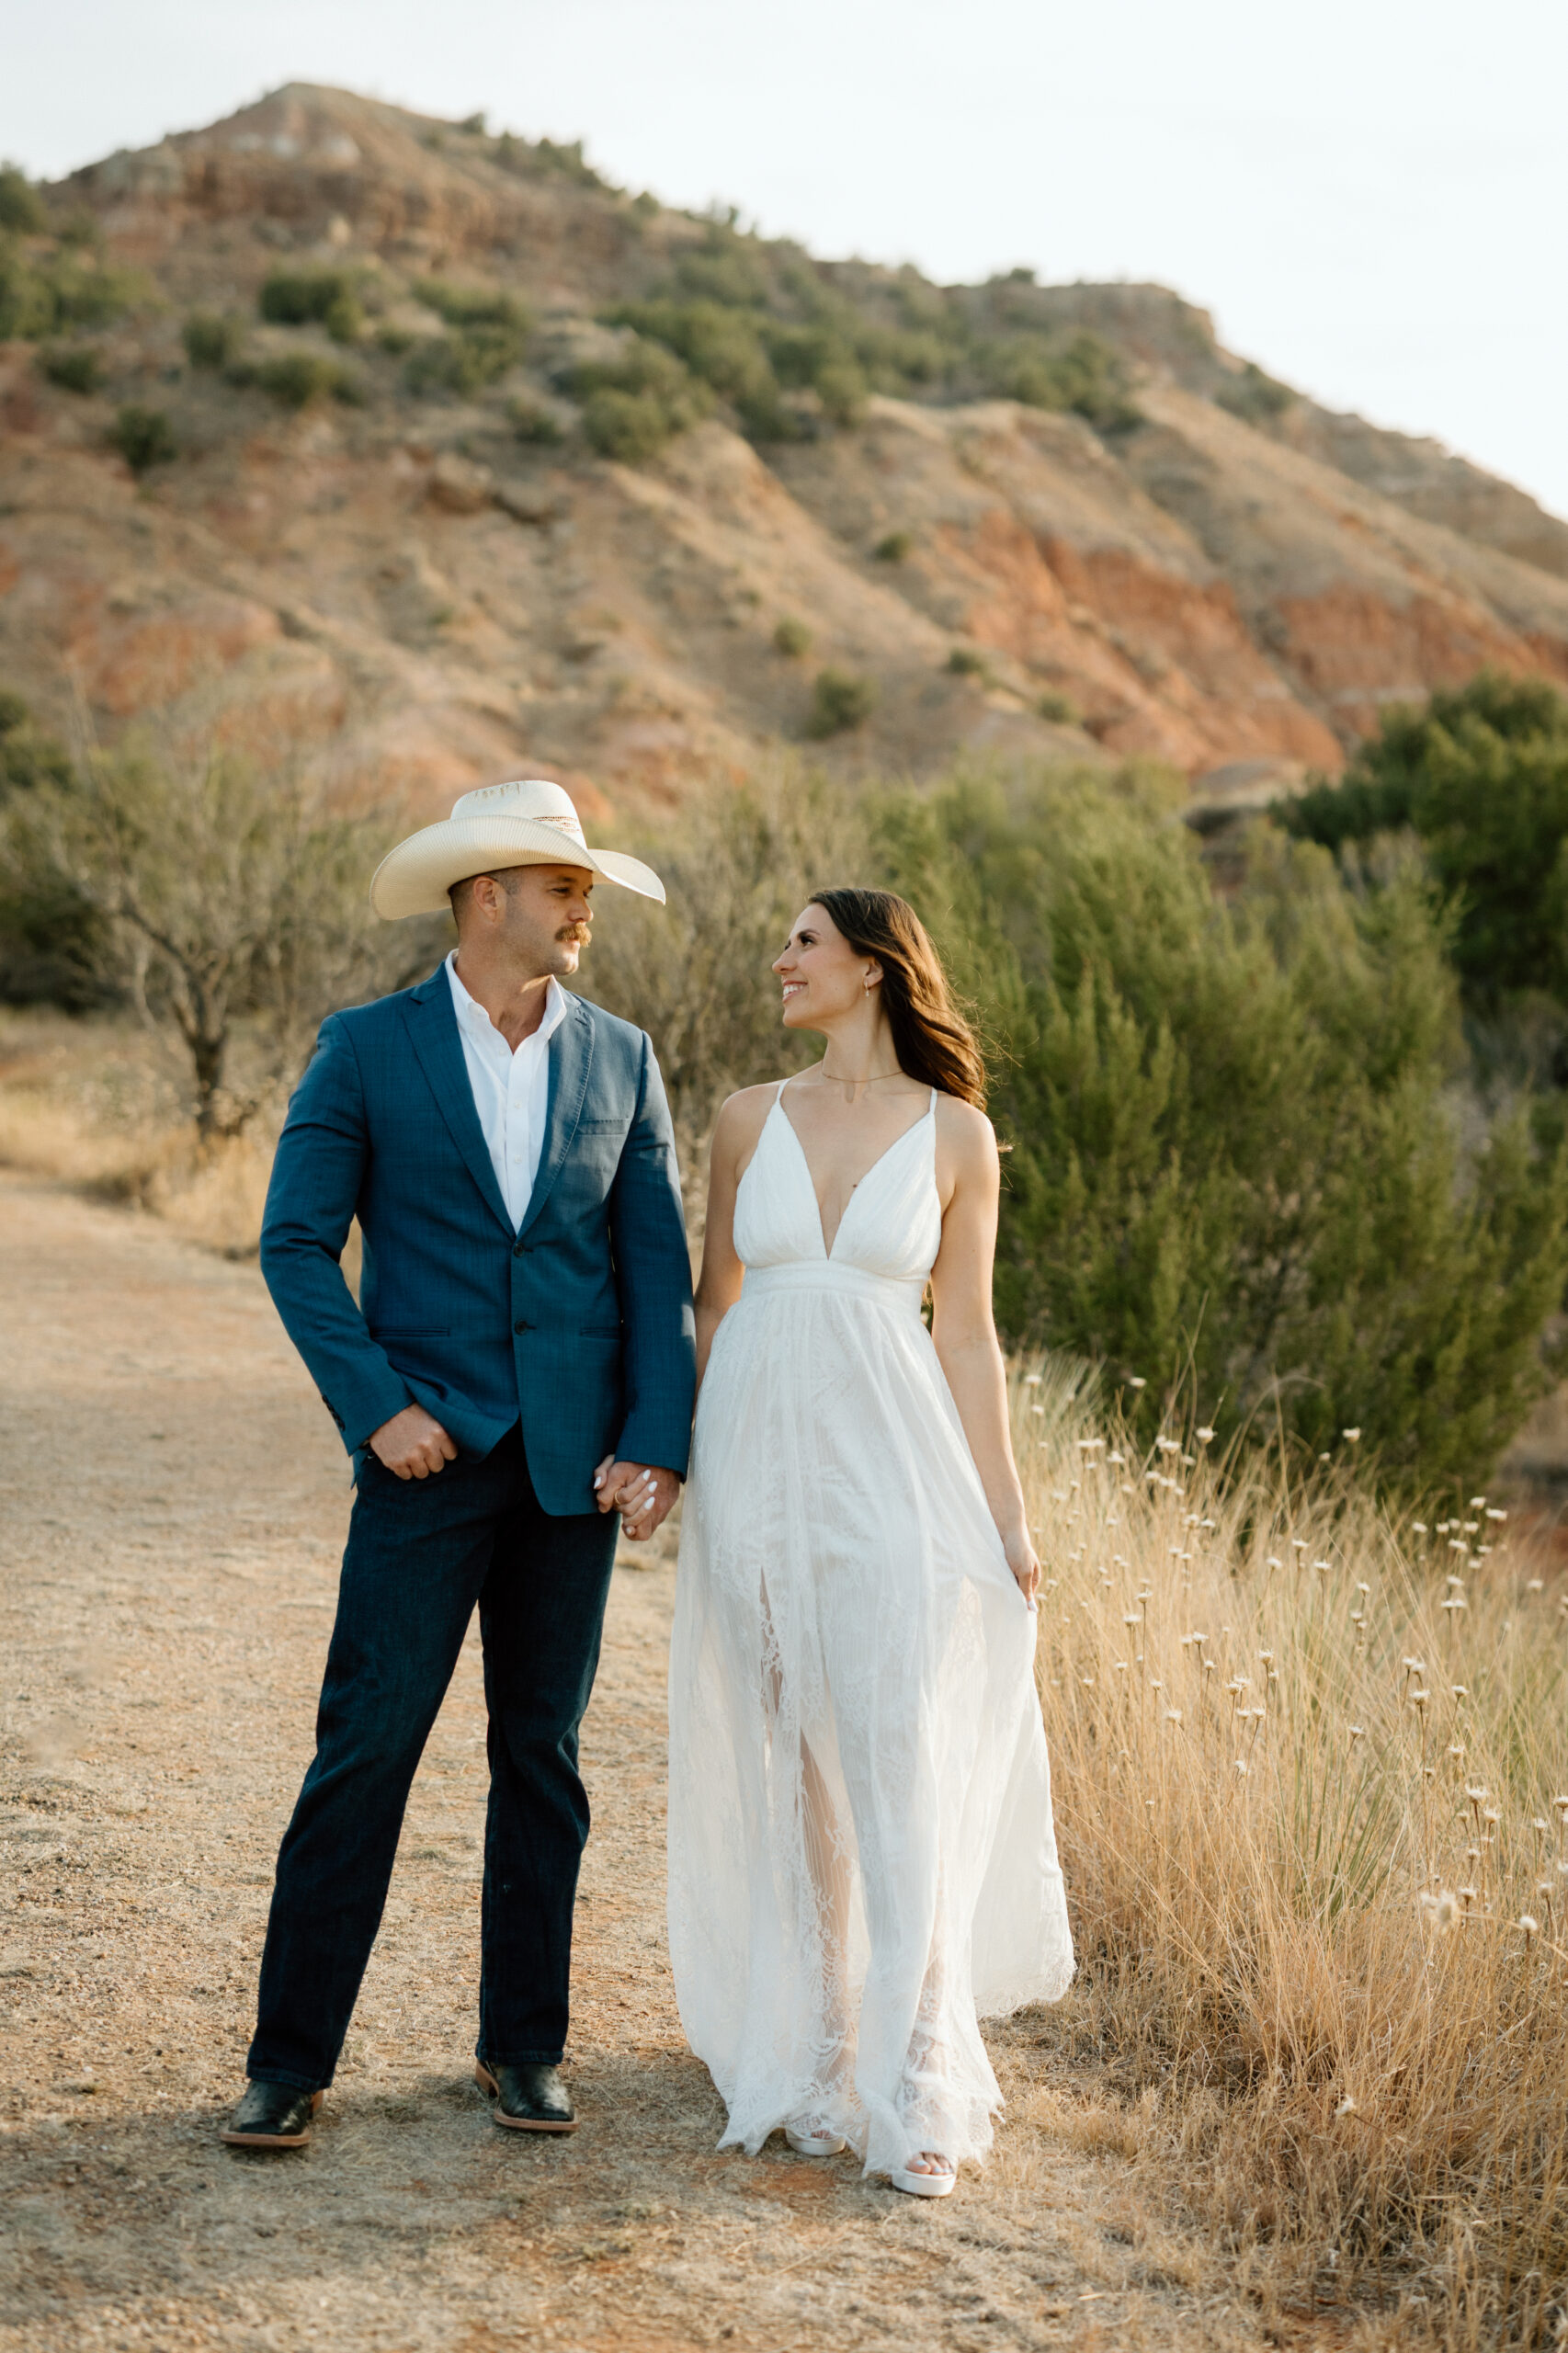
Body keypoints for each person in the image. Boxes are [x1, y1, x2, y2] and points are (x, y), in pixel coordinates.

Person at [222, 779, 695, 2151]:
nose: (582, 905)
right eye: (562, 885)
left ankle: (524, 2048)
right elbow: (295, 1244)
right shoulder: (364, 1048)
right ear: (488, 895)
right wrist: (376, 1408)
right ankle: (288, 2061)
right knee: (364, 1754)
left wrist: (654, 1444)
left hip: (572, 1478)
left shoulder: (623, 1056)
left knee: (539, 1760)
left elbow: (651, 1266)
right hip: (422, 1465)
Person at [667, 888, 1073, 2199]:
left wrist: (1004, 1517)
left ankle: (915, 2072)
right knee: (791, 1753)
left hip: (892, 1469)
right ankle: (823, 2050)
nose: (778, 959)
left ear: (873, 967)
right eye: (781, 940)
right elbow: (714, 1306)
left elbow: (966, 1334)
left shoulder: (959, 1136)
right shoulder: (744, 1118)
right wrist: (687, 1465)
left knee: (893, 1751)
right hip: (757, 1469)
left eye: (802, 942)